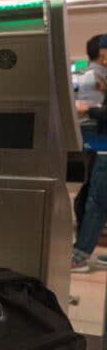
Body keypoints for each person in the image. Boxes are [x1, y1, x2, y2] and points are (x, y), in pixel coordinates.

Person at [73, 34, 107, 273]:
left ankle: (80, 255)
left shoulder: (90, 75)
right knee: (88, 197)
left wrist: (89, 111)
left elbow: (87, 111)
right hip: (99, 144)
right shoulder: (95, 76)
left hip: (101, 145)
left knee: (94, 200)